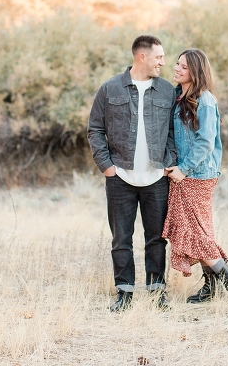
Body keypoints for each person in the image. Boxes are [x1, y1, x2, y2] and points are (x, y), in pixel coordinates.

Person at [87, 35, 177, 312]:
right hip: (120, 178)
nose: (163, 62)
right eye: (158, 57)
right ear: (142, 57)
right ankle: (124, 293)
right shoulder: (110, 88)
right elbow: (95, 129)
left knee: (156, 238)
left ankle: (156, 292)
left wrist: (168, 163)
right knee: (121, 238)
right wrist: (107, 166)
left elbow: (173, 132)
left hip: (156, 178)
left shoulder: (167, 91)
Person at [163, 48, 228, 304]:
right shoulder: (180, 96)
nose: (177, 69)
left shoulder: (205, 100)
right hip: (185, 172)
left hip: (198, 173)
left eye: (184, 67)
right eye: (177, 64)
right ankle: (212, 287)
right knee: (200, 231)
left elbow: (206, 142)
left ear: (196, 72)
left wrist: (183, 168)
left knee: (195, 232)